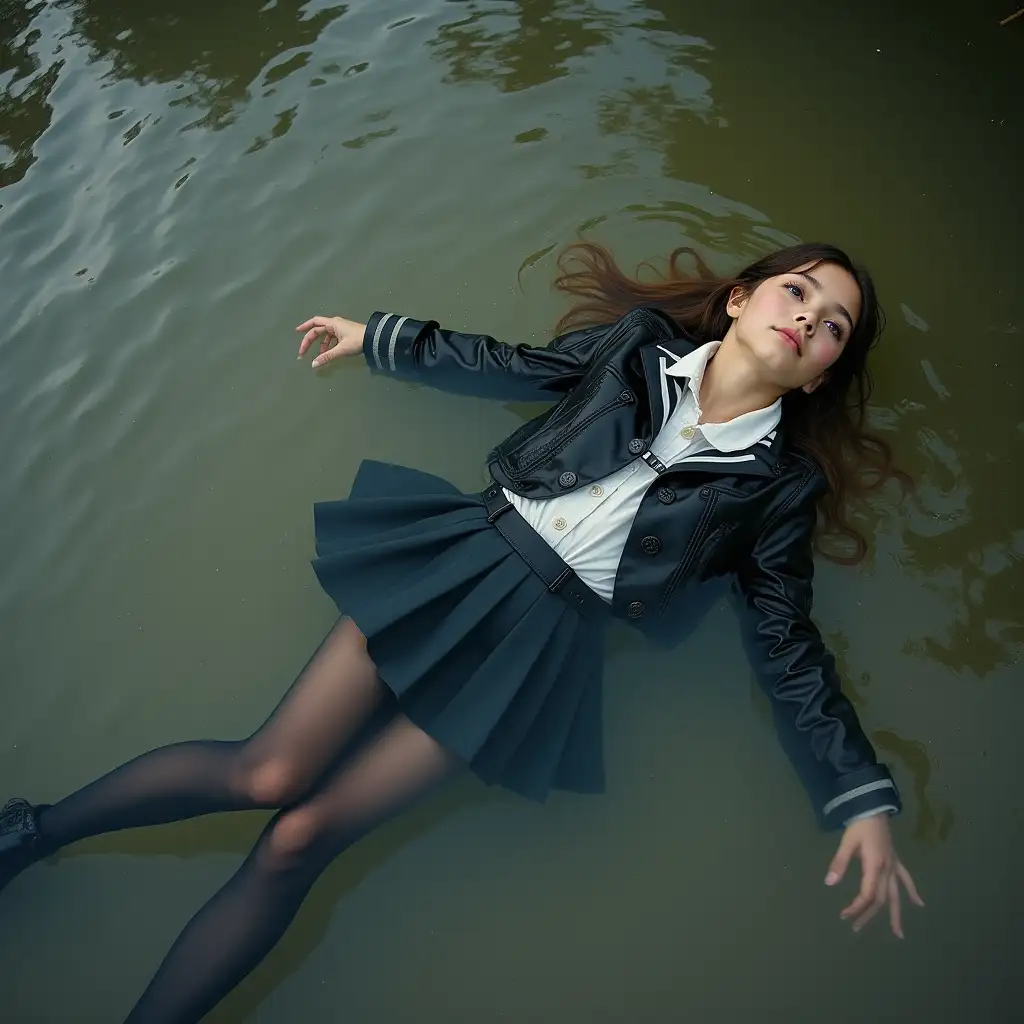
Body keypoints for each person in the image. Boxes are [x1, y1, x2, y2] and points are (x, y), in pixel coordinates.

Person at [0, 240, 924, 1022]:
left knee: (299, 840)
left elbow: (786, 642)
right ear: (740, 300)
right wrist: (384, 340)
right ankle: (28, 833)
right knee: (269, 772)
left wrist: (860, 795)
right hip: (461, 565)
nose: (808, 316)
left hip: (543, 649)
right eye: (797, 290)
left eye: (832, 323)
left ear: (821, 371)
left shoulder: (779, 489)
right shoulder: (638, 350)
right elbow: (515, 367)